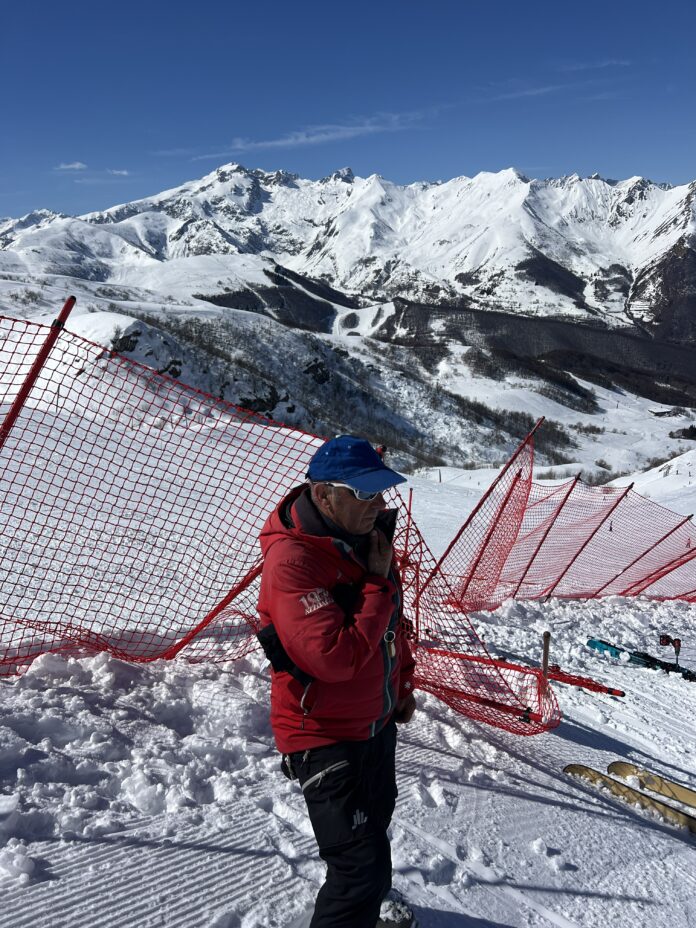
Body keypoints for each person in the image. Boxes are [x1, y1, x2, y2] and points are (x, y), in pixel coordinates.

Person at [257, 435, 417, 928]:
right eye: (364, 494)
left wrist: (402, 689)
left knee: (374, 833)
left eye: (380, 493)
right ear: (325, 495)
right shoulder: (295, 562)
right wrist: (374, 581)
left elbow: (392, 628)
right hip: (323, 733)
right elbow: (336, 659)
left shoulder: (365, 542)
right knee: (358, 870)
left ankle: (369, 909)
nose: (378, 505)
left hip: (374, 721)